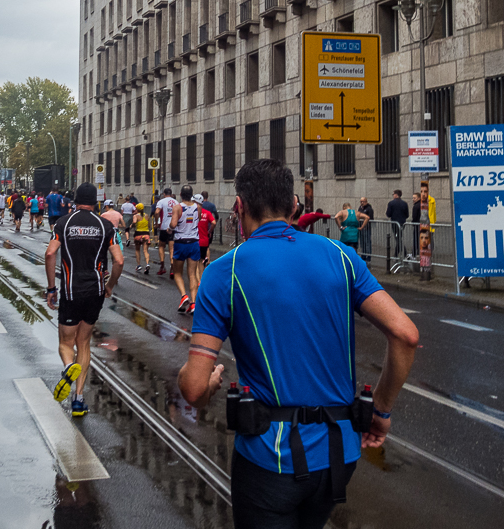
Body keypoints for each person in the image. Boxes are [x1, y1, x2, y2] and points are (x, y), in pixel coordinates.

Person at [179, 159, 419, 528]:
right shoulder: (341, 256)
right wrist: (381, 412)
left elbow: (193, 389)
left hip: (268, 459)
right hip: (339, 456)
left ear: (239, 207)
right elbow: (405, 335)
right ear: (294, 206)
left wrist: (209, 382)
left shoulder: (223, 271)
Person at [45, 182, 124, 418]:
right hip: (95, 291)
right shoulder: (105, 225)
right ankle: (78, 400)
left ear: (76, 200)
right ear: (96, 201)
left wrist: (51, 288)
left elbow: (50, 253)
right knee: (84, 343)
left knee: (65, 343)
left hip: (70, 290)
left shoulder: (64, 222)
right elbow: (119, 261)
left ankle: (69, 368)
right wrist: (109, 286)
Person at [172, 186, 202, 314]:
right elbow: (198, 219)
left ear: (180, 194)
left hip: (180, 242)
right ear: (191, 195)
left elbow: (173, 224)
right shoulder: (198, 207)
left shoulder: (178, 207)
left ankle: (184, 296)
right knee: (192, 274)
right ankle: (193, 303)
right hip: (194, 242)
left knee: (177, 272)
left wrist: (169, 227)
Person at [154, 187, 177, 277]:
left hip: (164, 227)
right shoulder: (176, 202)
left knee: (161, 246)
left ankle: (162, 266)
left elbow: (156, 212)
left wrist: (156, 222)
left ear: (164, 193)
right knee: (172, 249)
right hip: (173, 228)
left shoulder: (161, 202)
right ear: (171, 194)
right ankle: (172, 268)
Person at [132, 203, 152, 274]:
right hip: (146, 234)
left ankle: (139, 265)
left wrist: (132, 225)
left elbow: (134, 222)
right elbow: (149, 226)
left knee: (137, 250)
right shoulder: (147, 216)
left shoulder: (136, 216)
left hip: (138, 234)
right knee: (145, 250)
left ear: (137, 209)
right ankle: (147, 264)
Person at [357, 197, 375, 262]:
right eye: (361, 201)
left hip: (366, 228)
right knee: (362, 242)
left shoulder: (369, 209)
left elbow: (370, 218)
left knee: (367, 242)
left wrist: (365, 225)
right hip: (361, 227)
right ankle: (363, 254)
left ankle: (368, 255)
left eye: (363, 201)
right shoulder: (360, 208)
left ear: (366, 201)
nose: (361, 203)